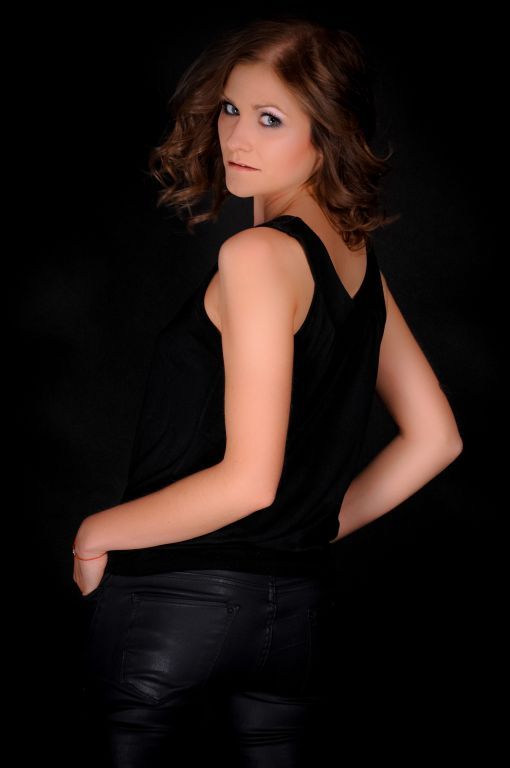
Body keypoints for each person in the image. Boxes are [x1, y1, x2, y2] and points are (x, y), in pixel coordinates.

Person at [72, 15, 463, 767]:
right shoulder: (353, 262)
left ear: (329, 134)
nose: (236, 137)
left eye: (270, 118)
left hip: (173, 605)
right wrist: (311, 528)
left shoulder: (257, 255)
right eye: (231, 108)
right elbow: (436, 437)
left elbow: (250, 482)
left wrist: (96, 534)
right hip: (296, 619)